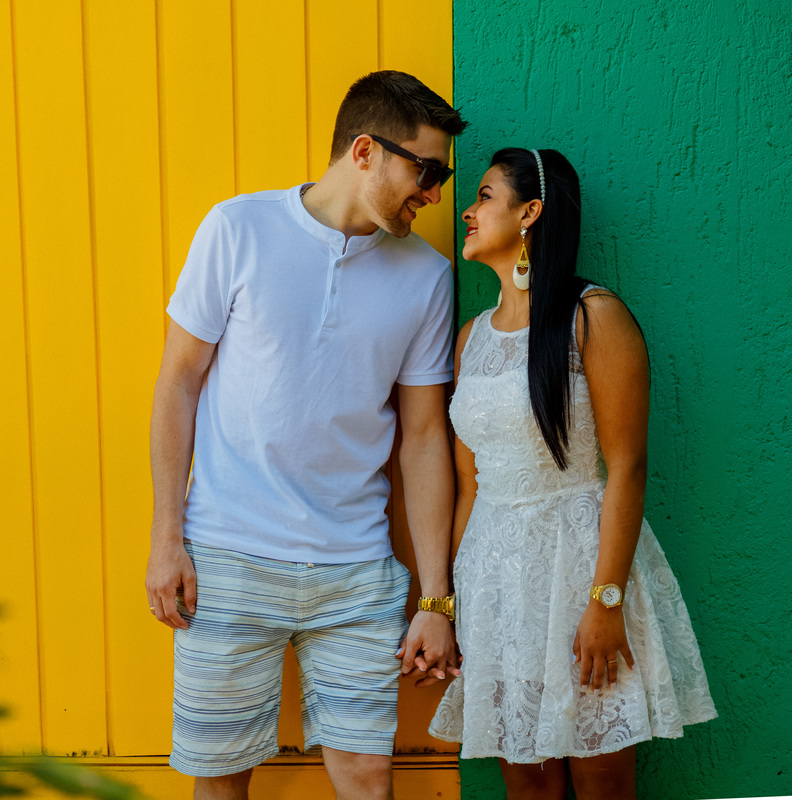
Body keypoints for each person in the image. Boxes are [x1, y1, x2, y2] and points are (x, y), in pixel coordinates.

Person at [145, 70, 467, 800]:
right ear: (364, 151)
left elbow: (422, 440)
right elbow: (177, 383)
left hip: (355, 569)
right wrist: (167, 537)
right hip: (224, 556)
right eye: (427, 170)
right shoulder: (237, 228)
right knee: (220, 779)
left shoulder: (427, 276)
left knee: (366, 777)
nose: (437, 193)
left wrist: (436, 599)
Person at [428, 148, 717, 799]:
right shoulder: (471, 339)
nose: (467, 213)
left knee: (602, 775)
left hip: (579, 567)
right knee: (525, 778)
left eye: (484, 196)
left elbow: (628, 467)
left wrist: (606, 600)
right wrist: (450, 604)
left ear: (529, 213)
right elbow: (470, 486)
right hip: (495, 583)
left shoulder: (594, 316)